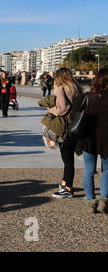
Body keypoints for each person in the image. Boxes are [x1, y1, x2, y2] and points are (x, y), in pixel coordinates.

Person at [49, 68, 83, 199]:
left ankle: (67, 187)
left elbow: (63, 109)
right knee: (69, 157)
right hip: (77, 126)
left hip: (66, 126)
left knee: (67, 158)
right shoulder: (77, 88)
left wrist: (51, 109)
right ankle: (64, 183)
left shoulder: (60, 88)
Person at [79, 68, 108, 213]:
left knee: (89, 170)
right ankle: (103, 200)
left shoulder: (88, 97)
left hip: (89, 139)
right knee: (107, 170)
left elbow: (74, 115)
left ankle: (90, 201)